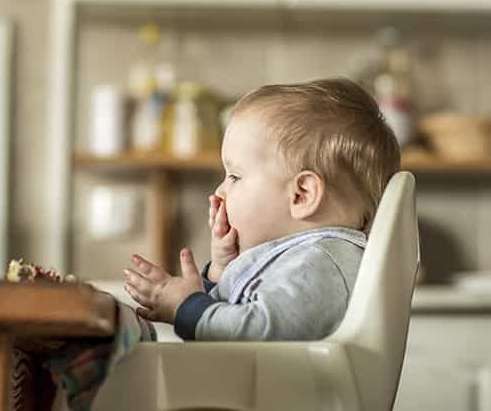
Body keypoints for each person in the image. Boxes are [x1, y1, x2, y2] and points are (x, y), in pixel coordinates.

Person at [123, 77, 400, 340]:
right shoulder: (299, 257)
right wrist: (221, 269)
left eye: (234, 177)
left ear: (301, 195)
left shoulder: (321, 265)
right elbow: (235, 318)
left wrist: (187, 307)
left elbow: (256, 331)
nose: (220, 191)